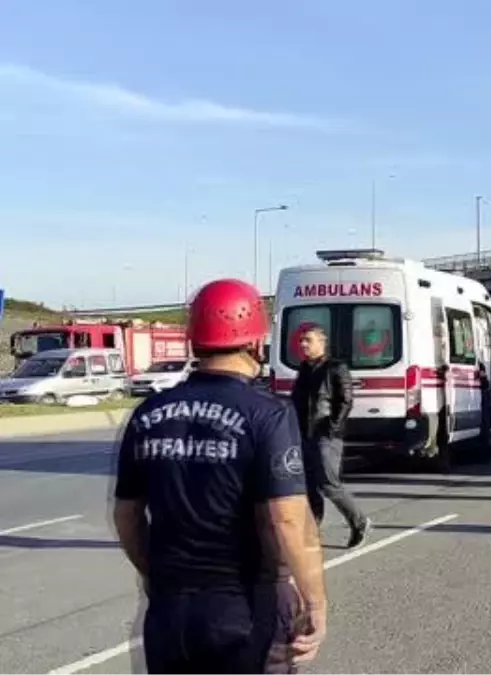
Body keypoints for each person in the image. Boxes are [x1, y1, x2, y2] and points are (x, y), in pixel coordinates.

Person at [112, 278, 327, 674]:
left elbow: (126, 516)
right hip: (241, 609)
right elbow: (289, 519)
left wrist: (153, 572)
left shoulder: (148, 414)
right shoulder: (268, 414)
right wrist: (315, 602)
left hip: (168, 612)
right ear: (256, 343)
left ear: (195, 341)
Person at [290, 325, 372, 548]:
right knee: (308, 485)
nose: (303, 345)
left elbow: (345, 401)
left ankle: (360, 522)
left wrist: (332, 427)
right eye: (301, 341)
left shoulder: (336, 368)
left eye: (308, 340)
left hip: (326, 435)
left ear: (321, 342)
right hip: (303, 434)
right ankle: (311, 531)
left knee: (328, 483)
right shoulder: (304, 370)